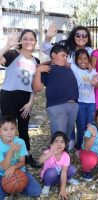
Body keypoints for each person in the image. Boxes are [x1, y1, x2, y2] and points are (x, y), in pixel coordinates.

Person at [42, 23, 93, 150]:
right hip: (66, 92)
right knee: (66, 125)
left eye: (85, 35)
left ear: (88, 38)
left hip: (83, 92)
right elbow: (48, 49)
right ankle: (68, 140)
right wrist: (48, 37)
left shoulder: (89, 51)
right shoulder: (66, 47)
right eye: (78, 35)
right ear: (73, 35)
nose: (81, 37)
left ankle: (81, 145)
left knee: (80, 122)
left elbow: (93, 67)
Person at [0, 30, 41, 168]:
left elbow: (35, 86)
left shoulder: (37, 61)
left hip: (26, 99)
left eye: (32, 39)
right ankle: (4, 155)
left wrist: (30, 103)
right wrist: (7, 45)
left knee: (23, 128)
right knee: (7, 127)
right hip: (9, 95)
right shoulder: (12, 54)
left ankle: (26, 155)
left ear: (35, 42)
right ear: (21, 41)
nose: (29, 41)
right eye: (25, 39)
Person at [32, 44, 79, 140]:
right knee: (58, 137)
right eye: (63, 55)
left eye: (66, 56)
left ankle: (64, 155)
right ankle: (53, 154)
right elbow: (37, 88)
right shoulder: (47, 69)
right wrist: (38, 71)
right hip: (56, 106)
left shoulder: (68, 68)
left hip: (73, 106)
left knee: (66, 137)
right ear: (53, 55)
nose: (65, 58)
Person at [0, 116, 42, 199]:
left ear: (16, 130)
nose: (9, 132)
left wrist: (13, 168)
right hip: (2, 174)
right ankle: (9, 186)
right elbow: (4, 167)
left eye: (12, 128)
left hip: (19, 172)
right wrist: (11, 150)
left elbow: (22, 162)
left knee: (37, 191)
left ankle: (17, 185)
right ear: (0, 131)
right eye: (5, 129)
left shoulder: (20, 142)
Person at [72, 49, 98, 150]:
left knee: (89, 125)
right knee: (80, 125)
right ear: (76, 60)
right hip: (80, 102)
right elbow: (65, 62)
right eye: (80, 58)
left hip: (91, 103)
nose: (83, 61)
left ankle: (88, 146)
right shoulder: (74, 68)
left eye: (85, 58)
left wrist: (95, 82)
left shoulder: (92, 71)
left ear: (89, 59)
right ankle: (79, 147)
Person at [39, 131, 78, 198]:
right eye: (56, 141)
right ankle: (47, 186)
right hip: (48, 176)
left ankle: (67, 179)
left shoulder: (66, 156)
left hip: (59, 176)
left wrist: (62, 189)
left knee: (72, 169)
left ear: (65, 145)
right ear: (51, 144)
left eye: (62, 142)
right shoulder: (48, 152)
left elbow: (64, 172)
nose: (59, 144)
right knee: (51, 172)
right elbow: (40, 160)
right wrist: (51, 153)